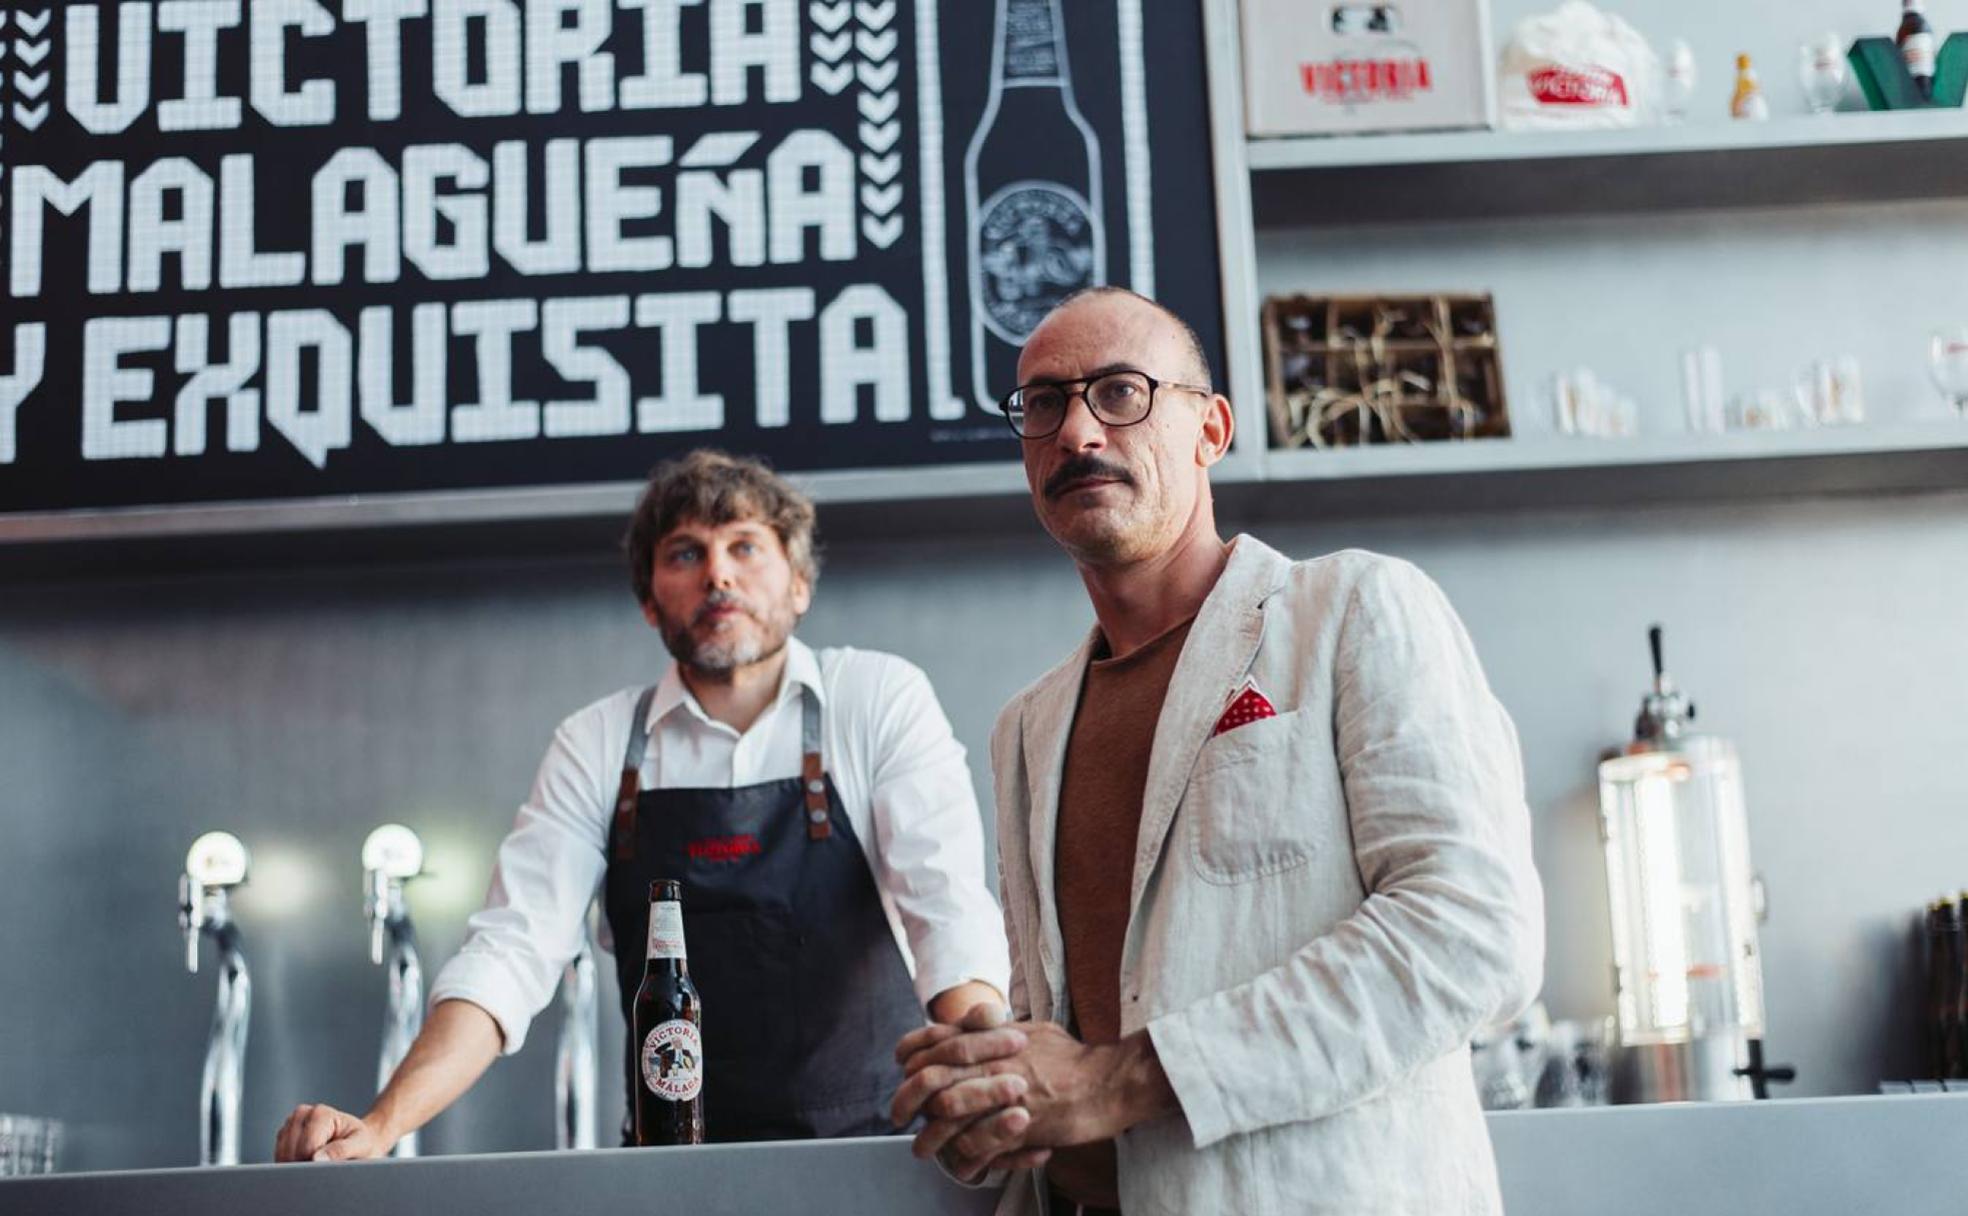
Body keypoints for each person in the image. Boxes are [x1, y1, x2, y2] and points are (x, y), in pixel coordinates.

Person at [889, 289, 1544, 1214]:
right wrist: (990, 1102)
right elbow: (1058, 1043)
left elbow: (1474, 936)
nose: (1077, 430)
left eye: (1121, 392)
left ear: (1211, 429)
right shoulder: (1025, 730)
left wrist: (1115, 1083)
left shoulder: (1353, 610)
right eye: (1043, 404)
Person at [277, 450, 1010, 1160]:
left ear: (799, 584)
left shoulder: (875, 699)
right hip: (671, 1173)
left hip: (872, 1162)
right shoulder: (597, 742)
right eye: (686, 553)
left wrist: (992, 1075)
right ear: (649, 602)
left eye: (746, 546)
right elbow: (511, 950)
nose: (718, 572)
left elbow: (945, 908)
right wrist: (380, 1125)